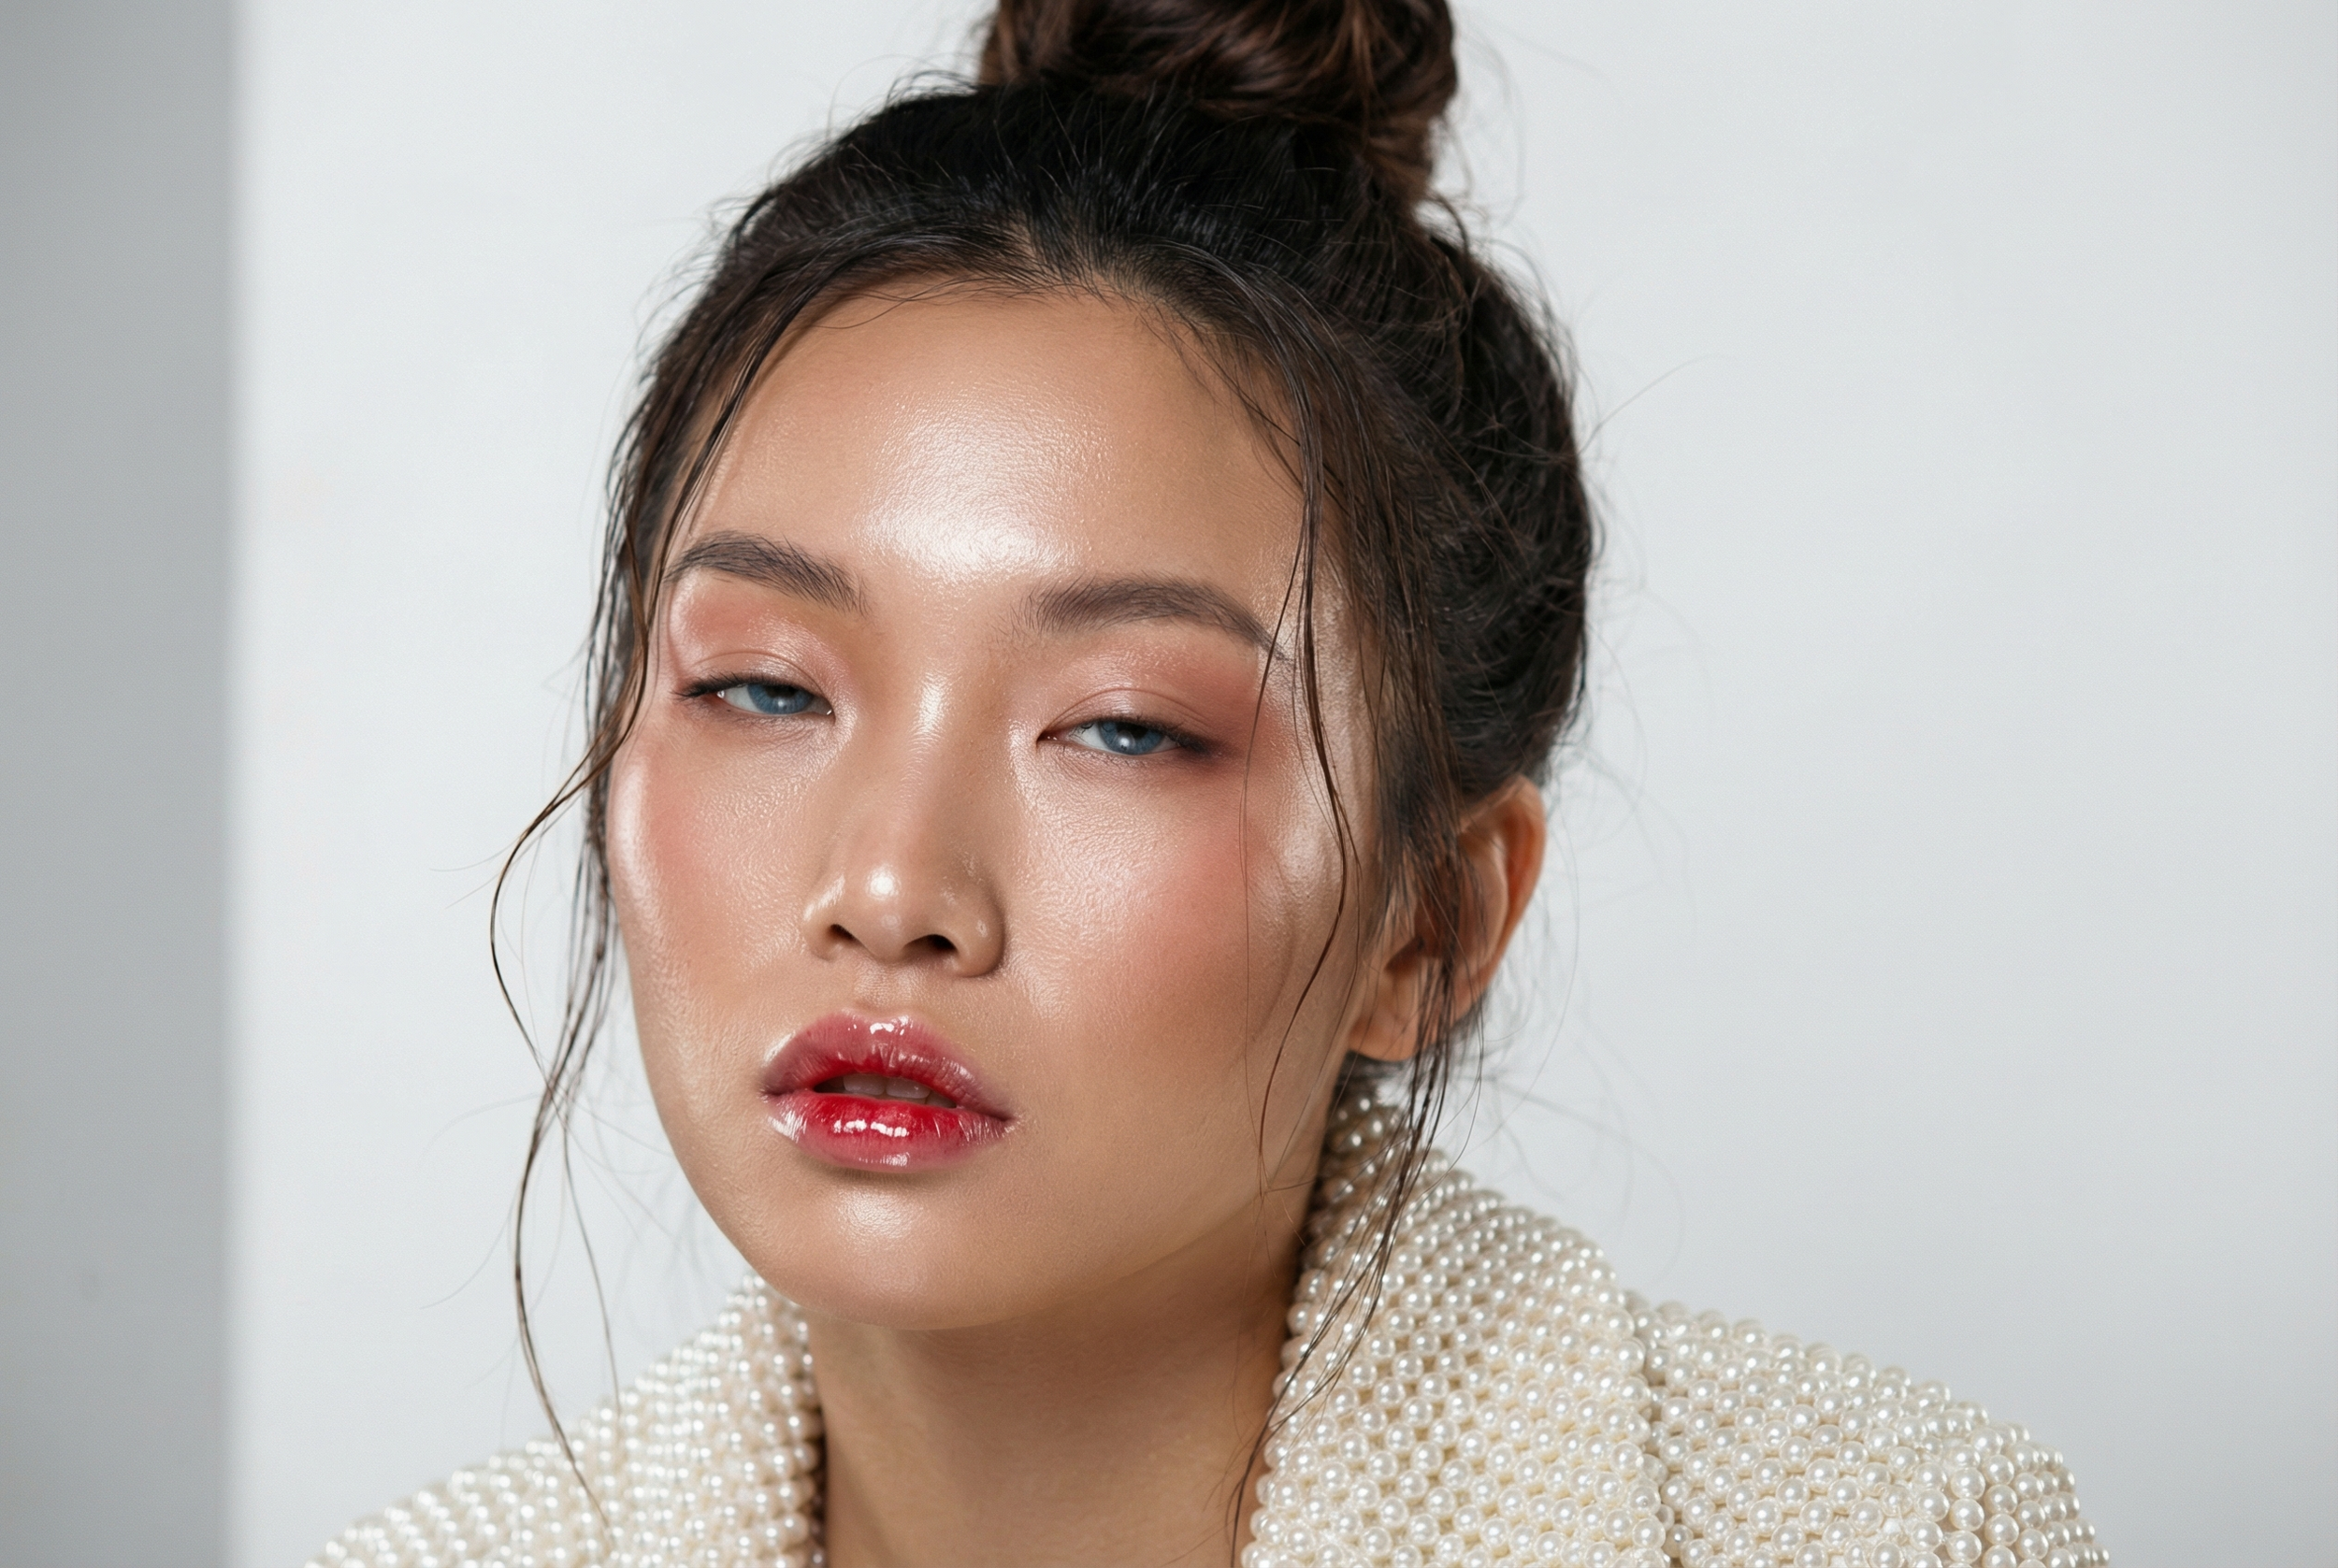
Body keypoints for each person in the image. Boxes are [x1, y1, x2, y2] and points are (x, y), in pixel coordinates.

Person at [312, 2, 2105, 1565]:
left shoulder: (1890, 1536)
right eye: (766, 687)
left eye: (1123, 727)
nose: (891, 887)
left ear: (1434, 919)